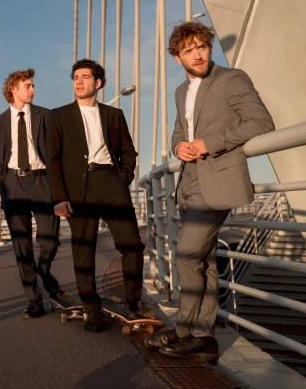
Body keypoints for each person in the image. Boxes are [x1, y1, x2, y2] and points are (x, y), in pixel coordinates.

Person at [146, 22, 274, 362]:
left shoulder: (232, 79)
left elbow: (261, 122)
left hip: (219, 181)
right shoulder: (179, 91)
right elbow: (178, 132)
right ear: (177, 58)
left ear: (210, 47)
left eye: (201, 46)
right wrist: (179, 149)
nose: (197, 54)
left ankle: (184, 328)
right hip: (188, 184)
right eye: (188, 50)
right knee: (202, 261)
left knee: (187, 255)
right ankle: (205, 339)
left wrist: (209, 144)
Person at [47, 59, 145, 332]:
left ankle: (133, 302)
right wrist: (59, 197)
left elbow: (129, 152)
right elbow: (52, 160)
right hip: (78, 189)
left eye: (85, 77)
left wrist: (123, 177)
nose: (79, 81)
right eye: (75, 77)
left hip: (111, 183)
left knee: (132, 245)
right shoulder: (59, 116)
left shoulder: (114, 115)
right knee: (83, 249)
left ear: (98, 83)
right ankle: (92, 308)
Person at [0, 68, 61, 319]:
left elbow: (56, 153)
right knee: (22, 246)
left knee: (50, 239)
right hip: (13, 183)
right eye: (28, 86)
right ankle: (34, 300)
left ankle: (44, 271)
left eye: (32, 86)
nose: (33, 90)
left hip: (42, 182)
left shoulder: (47, 116)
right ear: (13, 90)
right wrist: (4, 184)